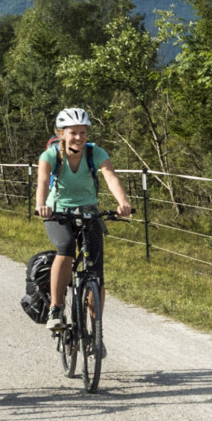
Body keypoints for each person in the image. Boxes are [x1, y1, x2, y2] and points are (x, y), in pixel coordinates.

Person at [36, 106, 133, 330]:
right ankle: (55, 308)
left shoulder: (94, 153)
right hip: (57, 211)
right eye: (73, 132)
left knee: (96, 272)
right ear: (62, 133)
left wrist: (123, 202)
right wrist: (41, 205)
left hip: (89, 211)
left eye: (83, 132)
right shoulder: (50, 154)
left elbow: (110, 177)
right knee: (66, 247)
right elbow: (42, 181)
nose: (79, 137)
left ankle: (95, 328)